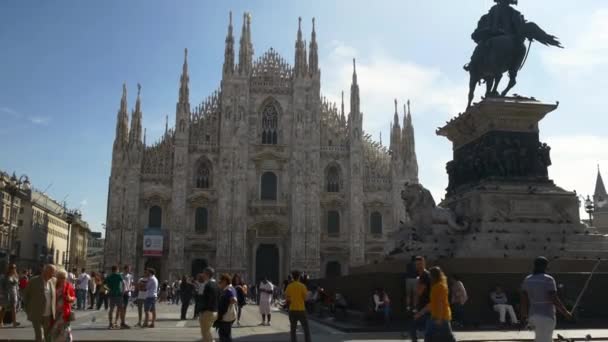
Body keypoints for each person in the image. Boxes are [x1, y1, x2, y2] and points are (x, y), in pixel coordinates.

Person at [521, 256, 573, 342]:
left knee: (542, 339)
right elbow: (554, 299)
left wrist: (524, 317)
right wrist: (565, 313)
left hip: (532, 316)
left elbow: (524, 300)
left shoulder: (527, 279)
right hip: (547, 316)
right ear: (545, 266)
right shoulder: (548, 279)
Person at [416, 266, 456, 342]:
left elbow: (440, 303)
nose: (429, 277)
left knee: (447, 337)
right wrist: (421, 313)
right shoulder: (436, 287)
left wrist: (439, 318)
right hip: (436, 316)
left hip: (441, 317)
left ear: (434, 276)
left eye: (430, 275)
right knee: (431, 336)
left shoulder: (440, 286)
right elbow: (433, 303)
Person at [23, 264, 56, 342]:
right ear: (45, 271)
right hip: (37, 314)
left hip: (48, 315)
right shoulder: (34, 281)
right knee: (39, 336)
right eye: (52, 272)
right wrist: (28, 310)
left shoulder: (53, 281)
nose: (53, 274)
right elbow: (26, 296)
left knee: (48, 336)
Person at [406, 256, 431, 342]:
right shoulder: (422, 276)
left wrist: (415, 308)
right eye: (416, 264)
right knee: (425, 330)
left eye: (420, 264)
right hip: (425, 307)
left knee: (413, 326)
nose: (418, 266)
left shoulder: (424, 276)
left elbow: (419, 292)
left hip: (426, 307)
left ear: (424, 264)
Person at [285, 270, 311, 342]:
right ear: (299, 277)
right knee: (306, 328)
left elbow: (287, 300)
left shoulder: (289, 286)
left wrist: (288, 309)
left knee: (293, 329)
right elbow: (306, 298)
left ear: (293, 277)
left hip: (292, 310)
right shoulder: (302, 286)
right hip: (301, 310)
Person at [50, 269, 75, 342]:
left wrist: (70, 298)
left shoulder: (68, 286)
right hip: (55, 312)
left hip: (64, 312)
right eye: (61, 277)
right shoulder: (54, 286)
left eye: (64, 277)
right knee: (55, 329)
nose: (62, 279)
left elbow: (73, 298)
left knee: (65, 330)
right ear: (57, 277)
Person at [197, 267, 219, 342]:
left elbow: (206, 300)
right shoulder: (216, 284)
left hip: (208, 312)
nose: (202, 275)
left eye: (204, 273)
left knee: (205, 333)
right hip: (215, 311)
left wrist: (202, 311)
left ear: (207, 274)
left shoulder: (208, 285)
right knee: (207, 332)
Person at [215, 273, 237, 342]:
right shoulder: (231, 288)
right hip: (228, 316)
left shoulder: (228, 290)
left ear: (224, 281)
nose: (219, 284)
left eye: (220, 282)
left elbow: (234, 300)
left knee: (224, 336)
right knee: (226, 335)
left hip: (226, 317)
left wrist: (228, 303)